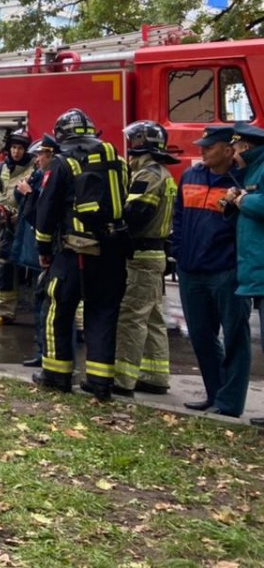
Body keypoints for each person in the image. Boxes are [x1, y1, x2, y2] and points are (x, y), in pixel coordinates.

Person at [32, 108, 129, 400]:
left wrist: (44, 249)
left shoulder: (61, 163)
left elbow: (46, 210)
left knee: (57, 309)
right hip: (112, 249)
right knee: (102, 313)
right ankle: (100, 383)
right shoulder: (118, 162)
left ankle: (56, 375)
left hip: (75, 251)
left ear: (61, 135)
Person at [171, 125, 250, 416]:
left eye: (209, 146)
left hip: (226, 271)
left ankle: (230, 404)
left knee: (235, 338)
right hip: (191, 269)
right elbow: (179, 216)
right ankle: (214, 393)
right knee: (202, 336)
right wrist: (178, 251)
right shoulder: (191, 175)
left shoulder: (240, 181)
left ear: (228, 151)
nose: (202, 150)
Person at [111, 121, 179, 397]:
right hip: (155, 253)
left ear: (141, 144)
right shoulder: (163, 174)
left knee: (131, 316)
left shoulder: (146, 177)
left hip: (141, 254)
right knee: (152, 316)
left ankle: (122, 379)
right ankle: (155, 375)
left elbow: (134, 214)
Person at [226, 122, 264, 425]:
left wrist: (241, 200)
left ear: (246, 147)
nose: (234, 154)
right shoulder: (253, 170)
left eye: (236, 148)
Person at [13, 134, 57, 367]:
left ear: (51, 155)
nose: (36, 159)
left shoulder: (53, 177)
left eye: (40, 154)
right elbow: (22, 203)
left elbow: (44, 210)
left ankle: (47, 354)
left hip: (44, 249)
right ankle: (43, 352)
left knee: (46, 305)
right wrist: (22, 192)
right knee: (39, 303)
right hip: (35, 248)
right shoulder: (39, 174)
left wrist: (30, 193)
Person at [0, 128, 34, 325]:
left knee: (36, 268)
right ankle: (4, 312)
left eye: (20, 148)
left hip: (27, 226)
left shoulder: (34, 169)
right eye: (13, 147)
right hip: (4, 228)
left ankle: (43, 313)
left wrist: (21, 214)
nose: (16, 152)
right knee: (3, 267)